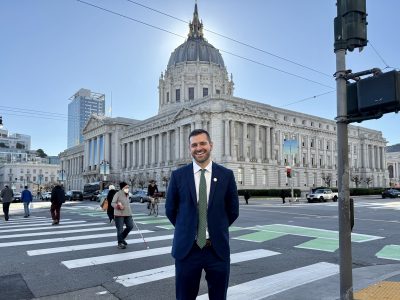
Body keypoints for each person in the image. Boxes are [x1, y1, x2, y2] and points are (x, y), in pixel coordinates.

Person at [165, 129, 239, 300]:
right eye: (194, 145)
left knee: (219, 297)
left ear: (210, 145)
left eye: (202, 143)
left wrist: (215, 227)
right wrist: (188, 228)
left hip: (216, 249)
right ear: (190, 148)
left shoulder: (226, 175)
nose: (199, 148)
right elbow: (170, 209)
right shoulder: (178, 176)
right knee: (185, 297)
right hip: (187, 250)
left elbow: (233, 210)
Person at [111, 182, 133, 249]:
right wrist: (118, 206)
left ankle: (122, 238)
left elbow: (127, 204)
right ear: (122, 188)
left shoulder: (127, 194)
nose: (127, 188)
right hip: (119, 214)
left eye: (128, 187)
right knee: (120, 229)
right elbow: (112, 203)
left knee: (130, 226)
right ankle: (120, 243)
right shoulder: (118, 193)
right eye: (126, 187)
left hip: (127, 213)